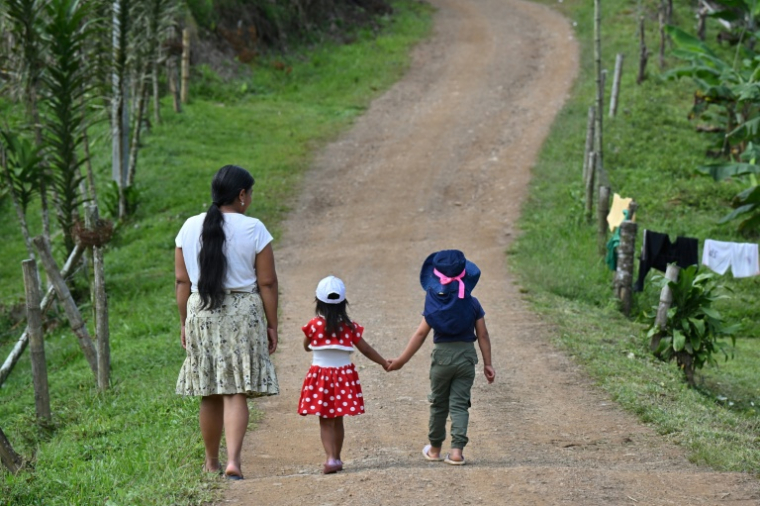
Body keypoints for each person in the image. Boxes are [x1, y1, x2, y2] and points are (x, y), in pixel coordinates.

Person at [174, 165, 279, 480]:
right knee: (236, 391)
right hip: (242, 313)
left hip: (201, 311)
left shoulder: (189, 227)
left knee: (209, 390)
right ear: (242, 194)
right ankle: (233, 460)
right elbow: (268, 283)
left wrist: (184, 322)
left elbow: (182, 281)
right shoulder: (254, 228)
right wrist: (272, 324)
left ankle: (211, 462)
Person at [388, 250, 495, 466]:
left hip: (442, 358)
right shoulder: (472, 303)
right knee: (459, 405)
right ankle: (456, 452)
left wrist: (401, 360)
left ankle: (435, 449)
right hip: (466, 357)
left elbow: (420, 334)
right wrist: (488, 363)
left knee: (438, 404)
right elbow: (482, 334)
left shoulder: (434, 304)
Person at [298, 275, 389, 474]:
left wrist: (311, 344)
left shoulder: (313, 325)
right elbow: (366, 349)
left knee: (325, 419)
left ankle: (330, 458)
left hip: (320, 377)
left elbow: (306, 345)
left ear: (318, 302)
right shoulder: (349, 327)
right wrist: (383, 362)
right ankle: (336, 457)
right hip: (342, 378)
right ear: (343, 303)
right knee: (338, 418)